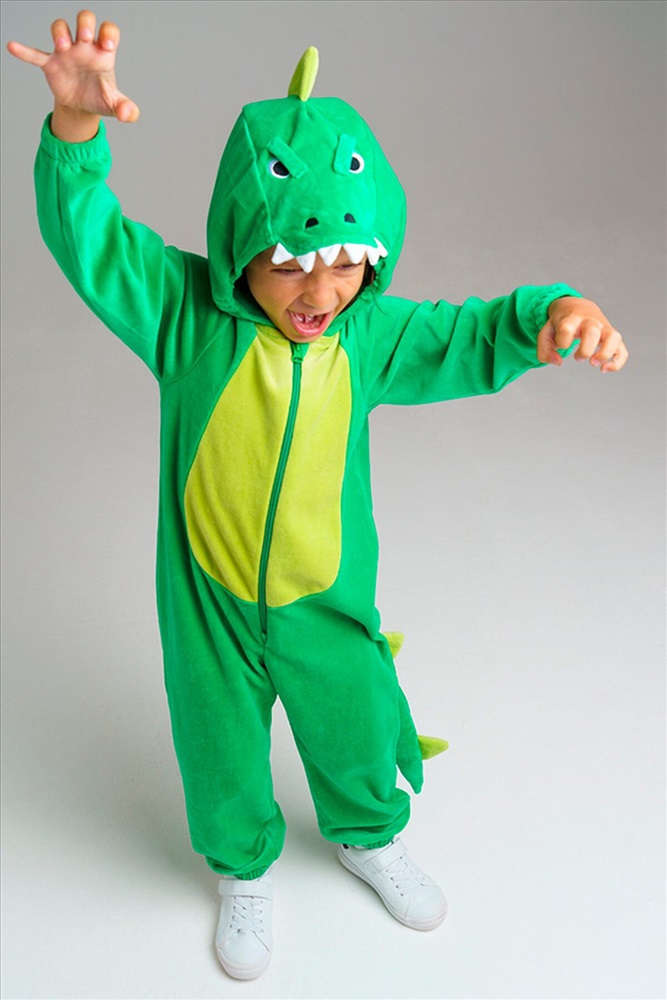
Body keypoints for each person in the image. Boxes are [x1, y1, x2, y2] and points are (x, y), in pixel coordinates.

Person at [8, 10, 629, 982]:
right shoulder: (185, 318)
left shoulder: (365, 339)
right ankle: (242, 869)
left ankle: (366, 834)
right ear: (240, 244)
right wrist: (76, 130)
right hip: (209, 603)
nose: (319, 291)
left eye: (345, 262)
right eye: (290, 263)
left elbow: (471, 335)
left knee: (355, 718)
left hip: (326, 597)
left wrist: (552, 314)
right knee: (216, 742)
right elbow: (90, 238)